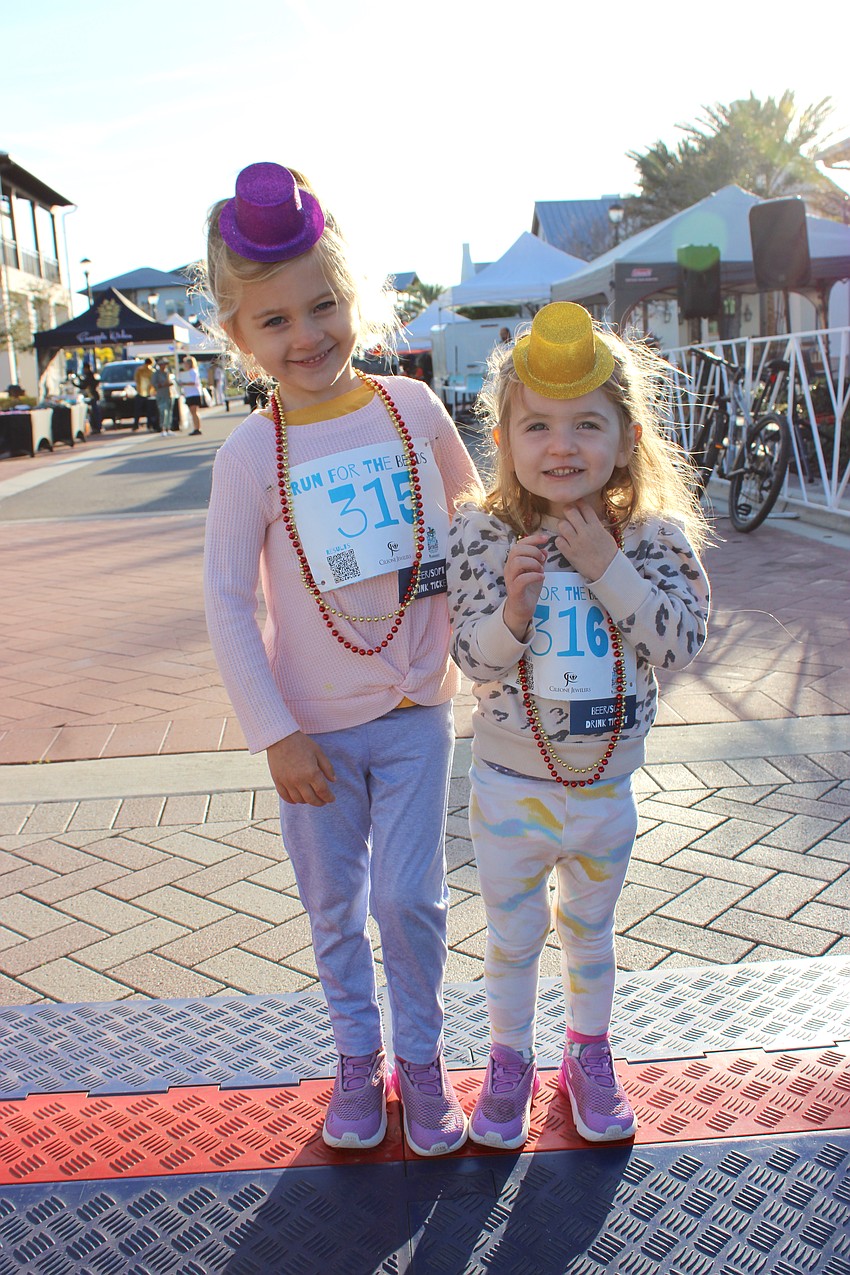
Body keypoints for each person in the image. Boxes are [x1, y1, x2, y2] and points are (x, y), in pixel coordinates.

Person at [203, 162, 482, 1156]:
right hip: (313, 733)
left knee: (407, 899)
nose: (306, 334)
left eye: (322, 305)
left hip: (415, 712)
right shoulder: (249, 454)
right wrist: (273, 733)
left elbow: (477, 530)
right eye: (273, 320)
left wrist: (503, 618)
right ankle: (357, 1059)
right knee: (333, 907)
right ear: (237, 336)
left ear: (353, 297)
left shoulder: (411, 409)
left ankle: (422, 1059)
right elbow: (226, 600)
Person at [447, 302, 710, 1150]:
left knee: (592, 931)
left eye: (587, 424)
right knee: (514, 935)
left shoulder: (654, 535)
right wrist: (516, 608)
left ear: (627, 436)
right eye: (539, 425)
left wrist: (610, 567)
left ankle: (588, 1053)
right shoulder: (485, 532)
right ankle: (509, 1060)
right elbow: (474, 660)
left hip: (605, 788)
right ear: (505, 436)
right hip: (508, 788)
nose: (562, 445)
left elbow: (678, 641)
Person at [178, 356, 204, 435]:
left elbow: (193, 382)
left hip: (193, 393)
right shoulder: (188, 372)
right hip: (189, 393)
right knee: (193, 412)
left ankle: (197, 428)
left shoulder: (193, 372)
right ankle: (196, 427)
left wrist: (183, 383)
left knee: (194, 411)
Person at [151, 359, 176, 433]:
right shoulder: (156, 374)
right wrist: (162, 385)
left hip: (170, 394)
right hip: (161, 395)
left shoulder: (168, 372)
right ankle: (163, 428)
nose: (164, 366)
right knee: (163, 412)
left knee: (169, 411)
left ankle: (169, 428)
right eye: (162, 364)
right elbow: (154, 384)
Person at [133, 357, 156, 431]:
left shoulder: (139, 370)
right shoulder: (152, 371)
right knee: (149, 411)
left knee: (137, 410)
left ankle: (136, 425)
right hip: (149, 393)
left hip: (140, 392)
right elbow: (153, 382)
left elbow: (136, 380)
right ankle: (149, 425)